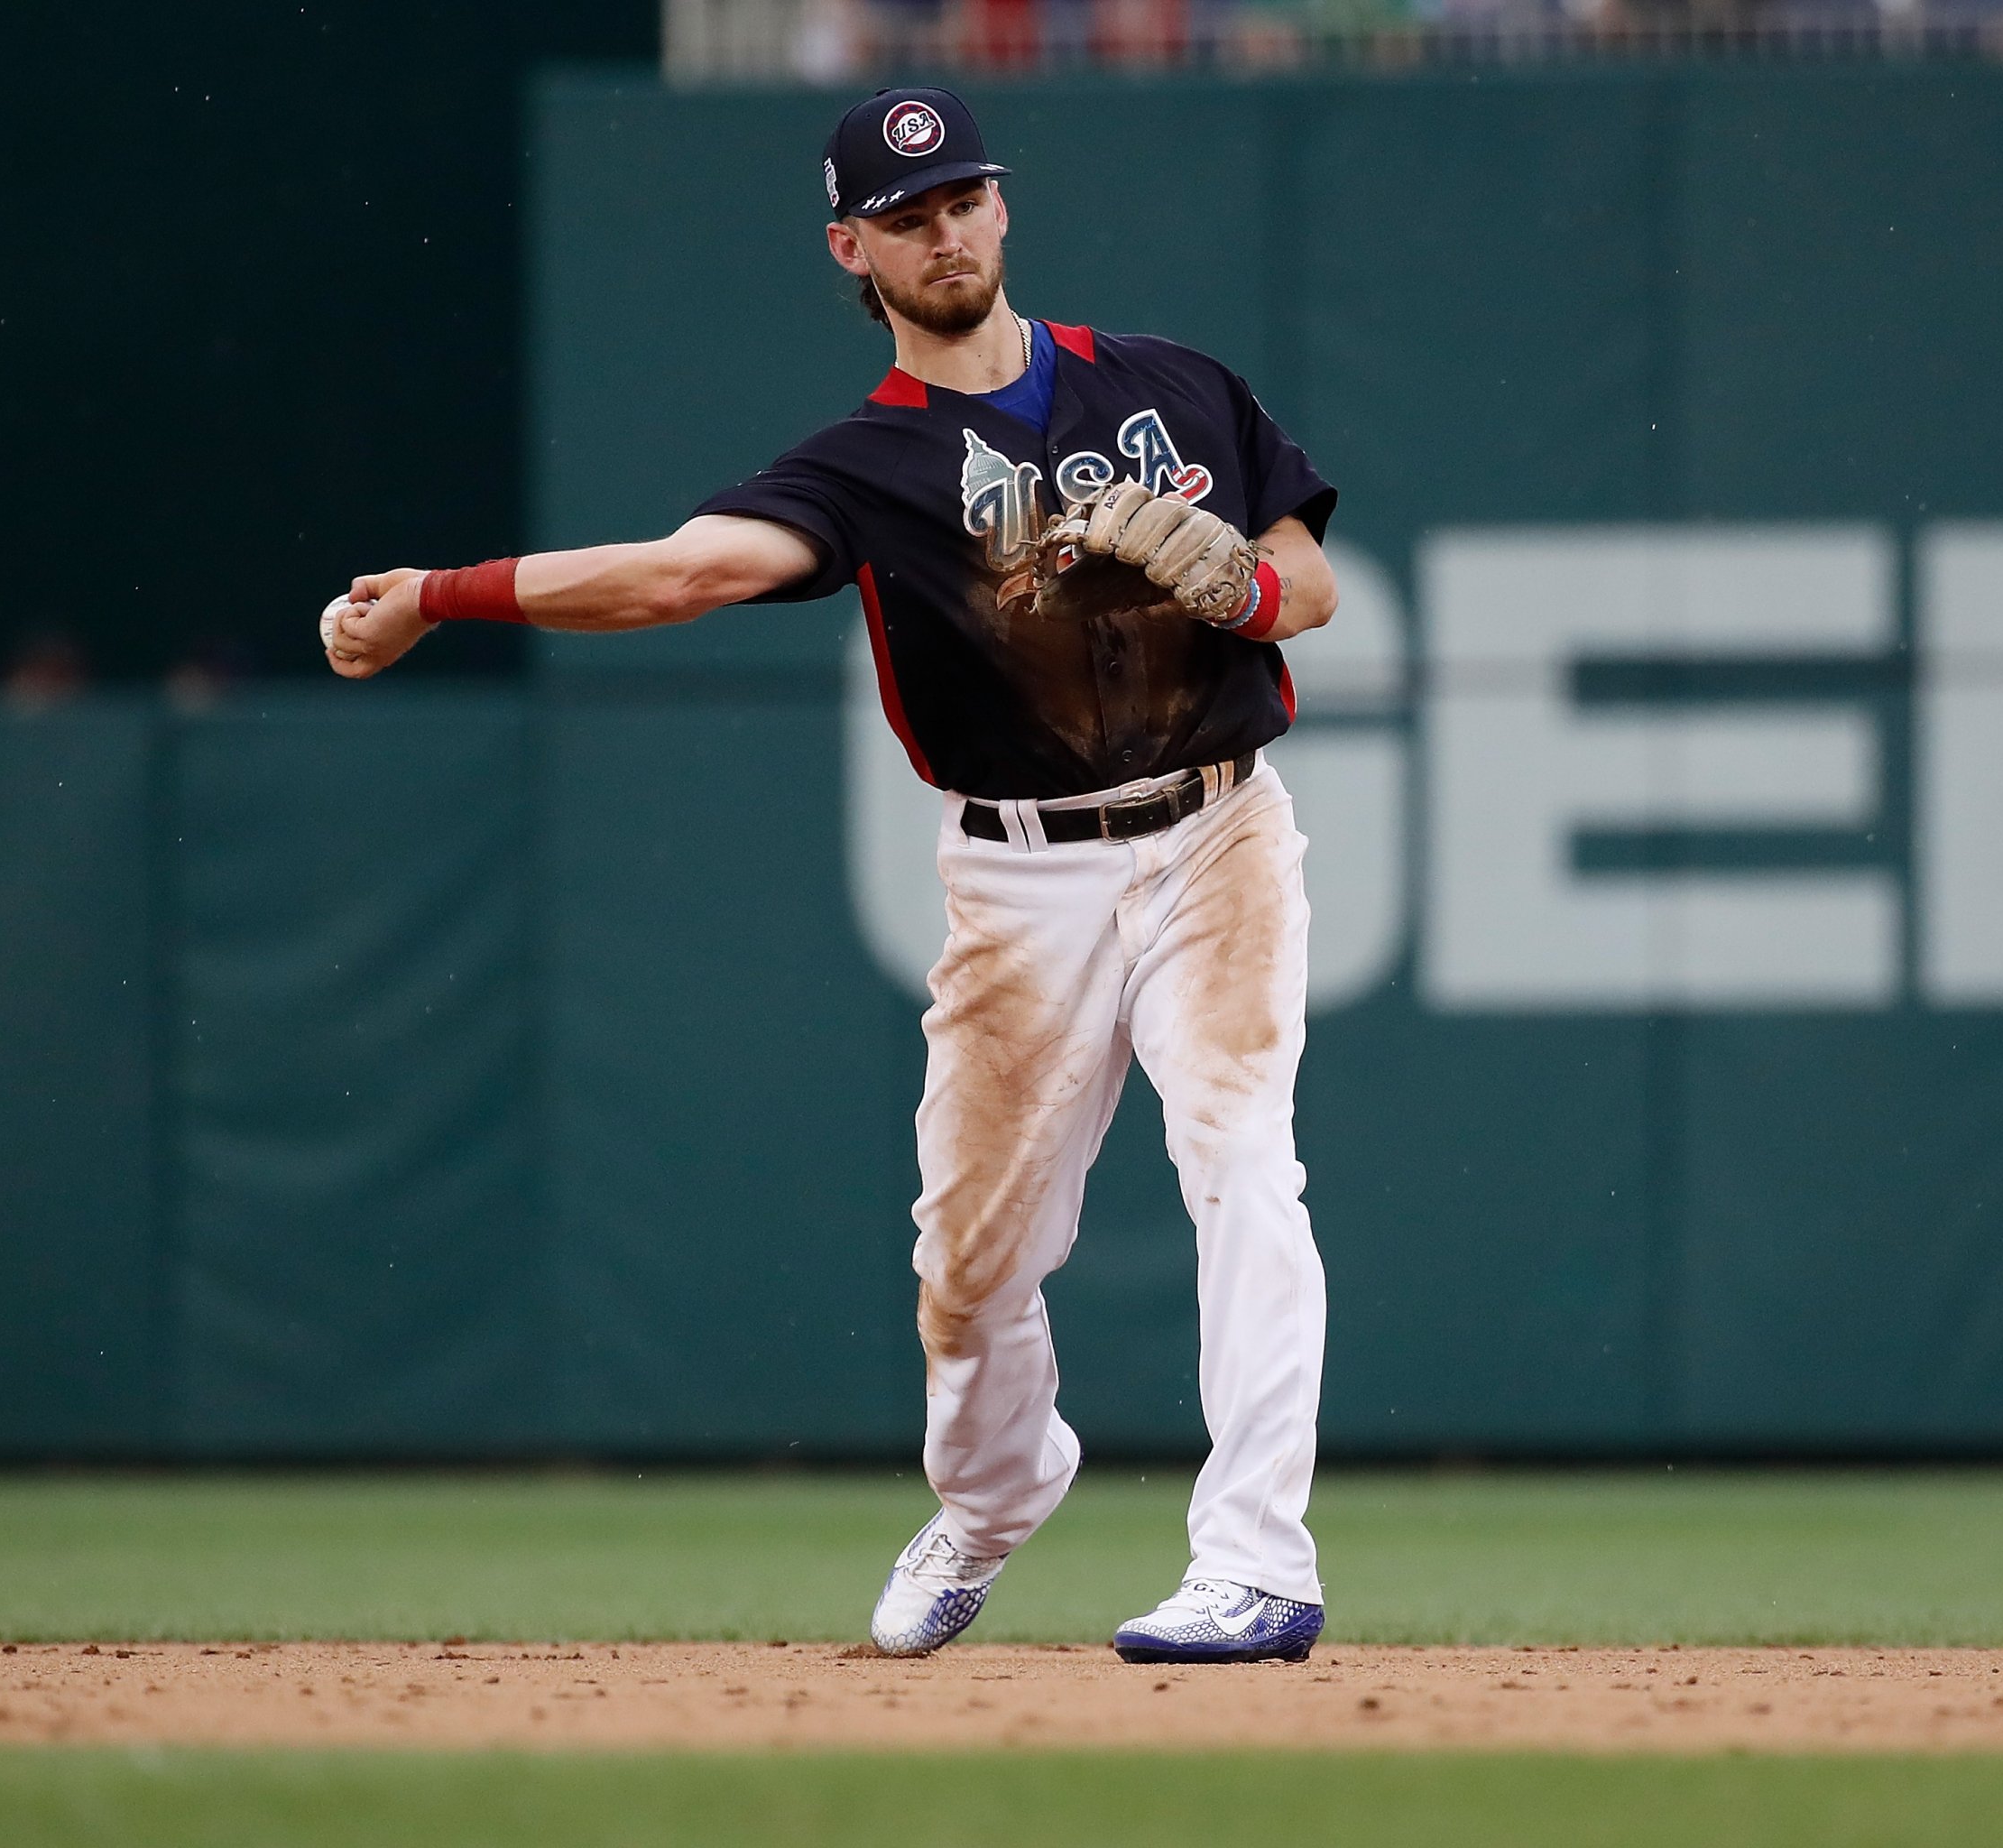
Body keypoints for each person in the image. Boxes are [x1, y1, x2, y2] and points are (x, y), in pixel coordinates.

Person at [319, 86, 1339, 1667]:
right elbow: (681, 575)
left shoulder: (1171, 383)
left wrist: (1253, 583)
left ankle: (1257, 1562)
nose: (944, 233)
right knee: (970, 1264)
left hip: (1216, 825)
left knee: (1246, 1168)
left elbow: (1312, 582)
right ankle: (1000, 1498)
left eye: (964, 202)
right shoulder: (869, 464)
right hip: (1023, 877)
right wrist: (445, 596)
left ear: (1002, 209)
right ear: (851, 247)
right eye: (907, 216)